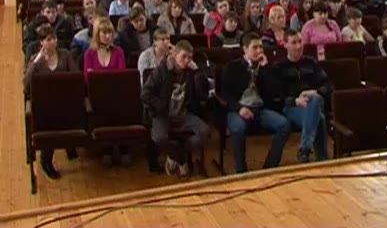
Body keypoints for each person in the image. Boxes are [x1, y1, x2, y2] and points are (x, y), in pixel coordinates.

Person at [222, 33, 291, 173]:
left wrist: (265, 69)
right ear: (245, 49)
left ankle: (270, 167)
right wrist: (239, 108)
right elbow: (225, 95)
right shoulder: (232, 67)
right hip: (238, 109)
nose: (259, 51)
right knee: (238, 128)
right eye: (255, 48)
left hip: (259, 109)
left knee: (283, 125)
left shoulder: (265, 67)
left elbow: (275, 91)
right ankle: (241, 171)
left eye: (261, 47)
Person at [141, 40, 211, 178]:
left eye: (189, 57)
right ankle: (180, 159)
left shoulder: (191, 72)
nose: (187, 60)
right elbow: (145, 94)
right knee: (159, 138)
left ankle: (177, 153)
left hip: (182, 113)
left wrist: (197, 72)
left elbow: (203, 92)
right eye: (184, 57)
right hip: (163, 114)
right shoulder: (162, 70)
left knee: (204, 131)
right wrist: (161, 105)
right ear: (174, 55)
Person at [23, 26, 78, 179]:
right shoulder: (35, 59)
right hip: (45, 105)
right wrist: (36, 62)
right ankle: (46, 159)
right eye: (48, 39)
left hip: (65, 102)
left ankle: (69, 146)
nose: (53, 42)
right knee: (49, 122)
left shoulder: (65, 54)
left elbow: (76, 77)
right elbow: (26, 85)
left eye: (54, 38)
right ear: (41, 42)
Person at [274, 29, 331, 162]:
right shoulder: (279, 67)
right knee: (319, 118)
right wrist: (295, 100)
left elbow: (328, 85)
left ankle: (305, 149)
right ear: (285, 44)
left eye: (300, 42)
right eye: (294, 43)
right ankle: (322, 159)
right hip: (292, 107)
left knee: (315, 101)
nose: (298, 46)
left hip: (313, 104)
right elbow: (277, 96)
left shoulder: (311, 62)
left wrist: (315, 92)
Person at [83, 17, 126, 82]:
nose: (108, 36)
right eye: (104, 33)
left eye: (110, 32)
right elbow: (87, 79)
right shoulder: (89, 54)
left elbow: (122, 77)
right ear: (97, 34)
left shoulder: (118, 52)